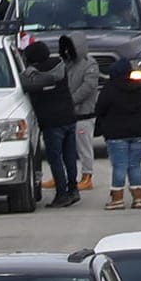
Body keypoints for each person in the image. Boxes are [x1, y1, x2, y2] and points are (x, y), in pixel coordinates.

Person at [24, 41, 80, 207]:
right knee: (70, 156)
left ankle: (61, 194)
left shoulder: (33, 75)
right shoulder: (60, 66)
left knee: (55, 159)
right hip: (69, 117)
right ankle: (73, 189)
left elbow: (25, 84)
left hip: (51, 122)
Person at [96, 59, 141, 210]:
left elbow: (100, 108)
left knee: (119, 166)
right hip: (139, 132)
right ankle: (138, 198)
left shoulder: (109, 89)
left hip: (116, 134)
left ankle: (117, 199)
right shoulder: (138, 88)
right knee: (135, 165)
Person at [60, 34, 100, 193]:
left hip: (84, 113)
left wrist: (69, 101)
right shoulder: (67, 64)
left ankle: (87, 176)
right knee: (64, 147)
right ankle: (61, 176)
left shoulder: (90, 65)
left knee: (84, 146)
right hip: (68, 114)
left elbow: (87, 88)